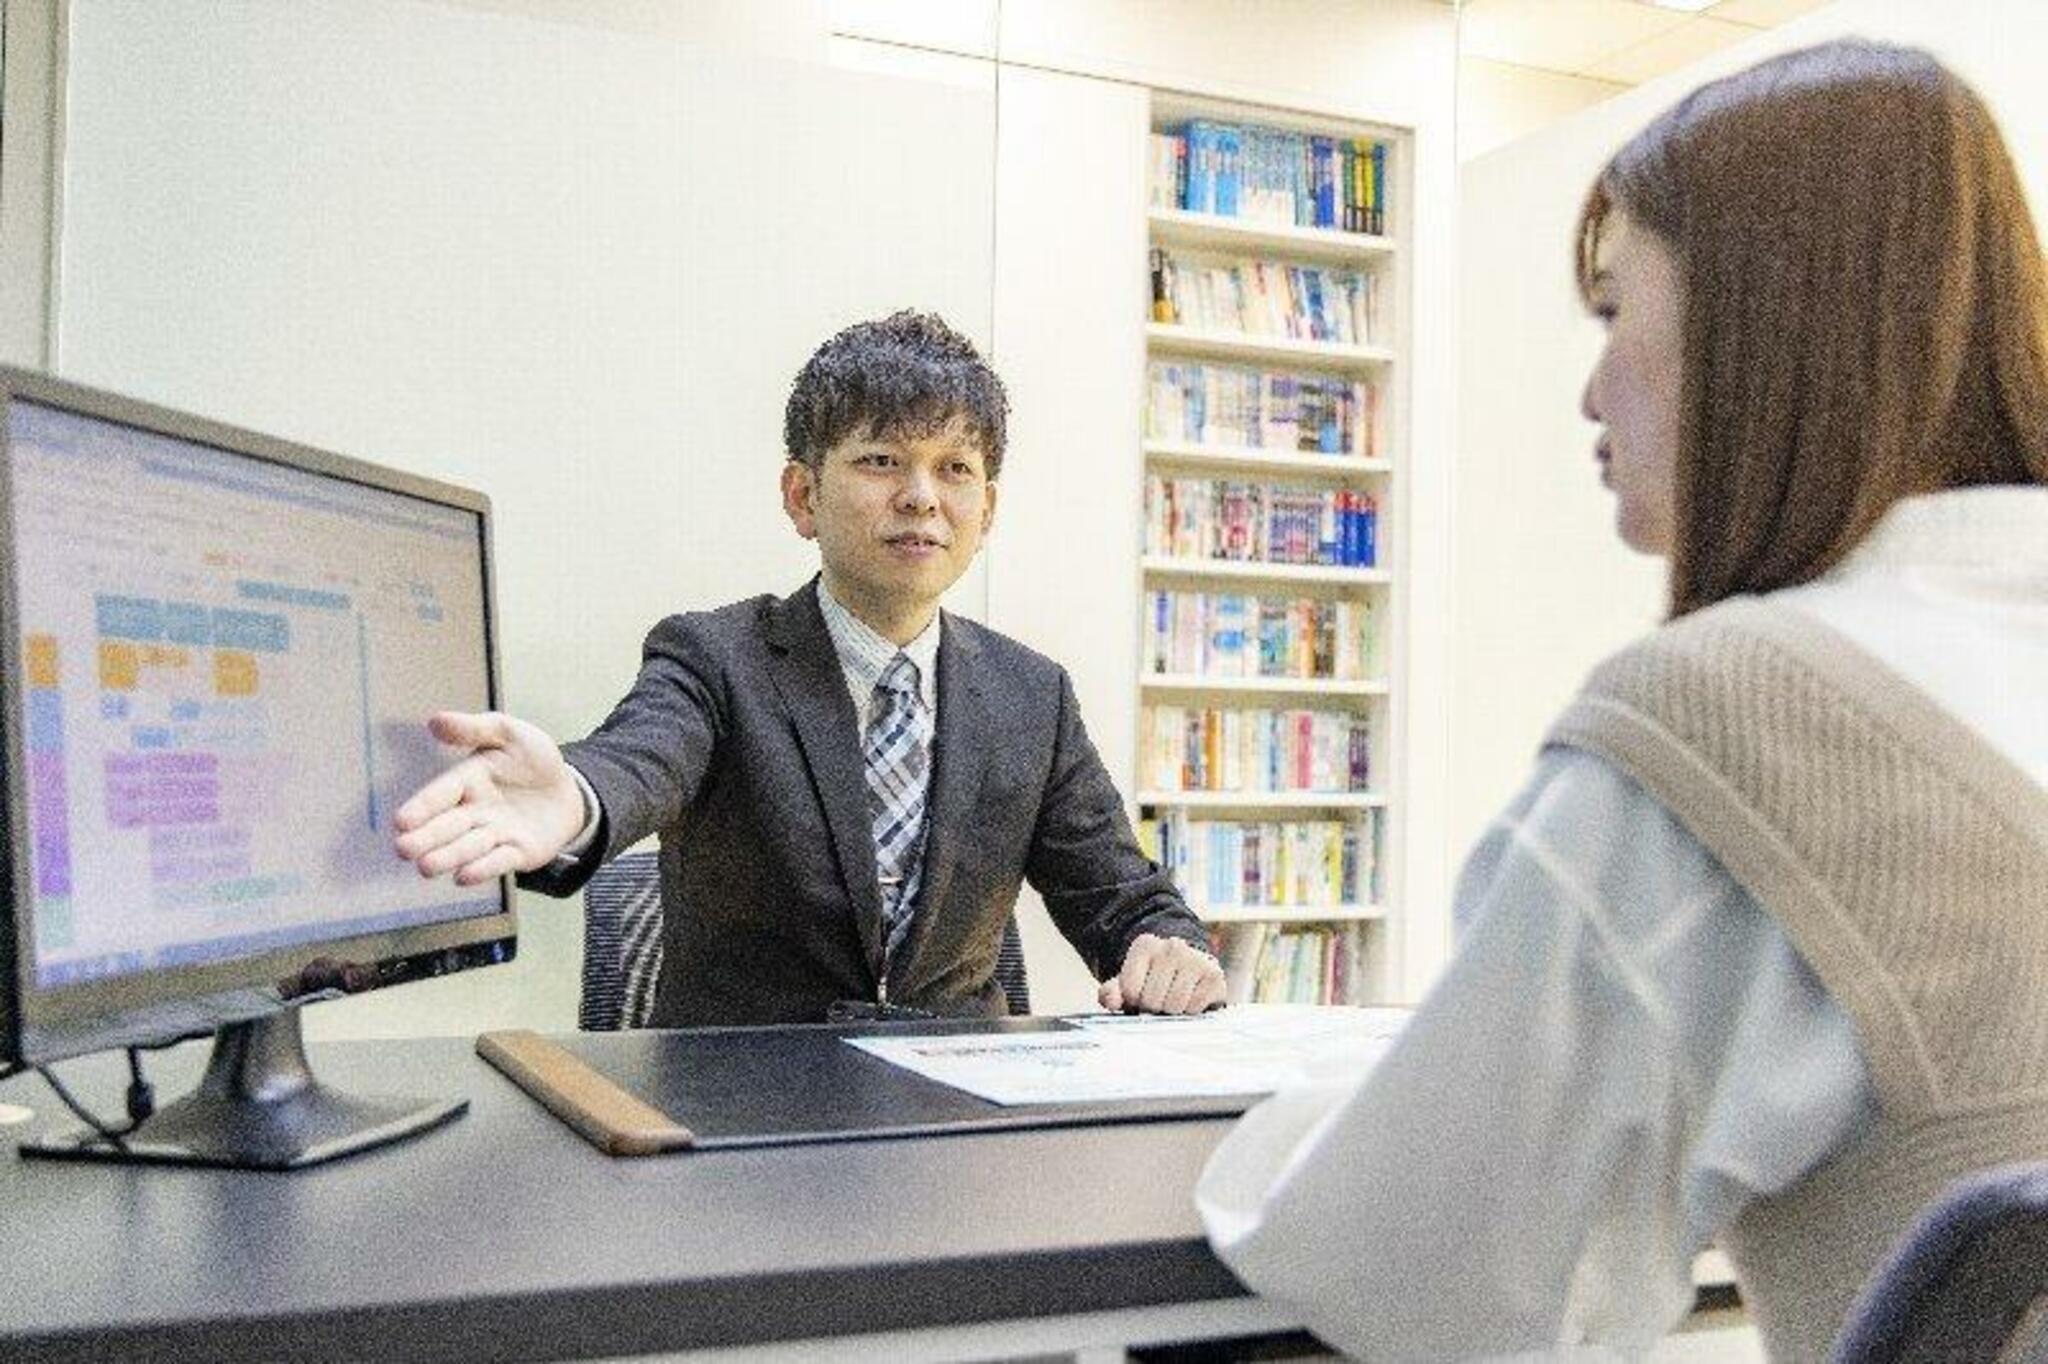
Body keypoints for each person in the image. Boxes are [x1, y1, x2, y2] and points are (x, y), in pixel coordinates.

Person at [1197, 38, 2048, 1363]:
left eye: (1613, 315)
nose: (1594, 392)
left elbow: (1431, 1280)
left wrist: (1318, 1107)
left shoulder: (1730, 725)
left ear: (1756, 328)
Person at [394, 310, 1225, 1024]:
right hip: (752, 1121)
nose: (921, 497)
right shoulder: (715, 658)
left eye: (954, 469)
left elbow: (1123, 900)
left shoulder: (1030, 695)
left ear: (987, 510)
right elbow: (641, 759)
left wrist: (1170, 951)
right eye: (881, 461)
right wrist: (575, 797)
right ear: (802, 497)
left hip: (956, 1132)